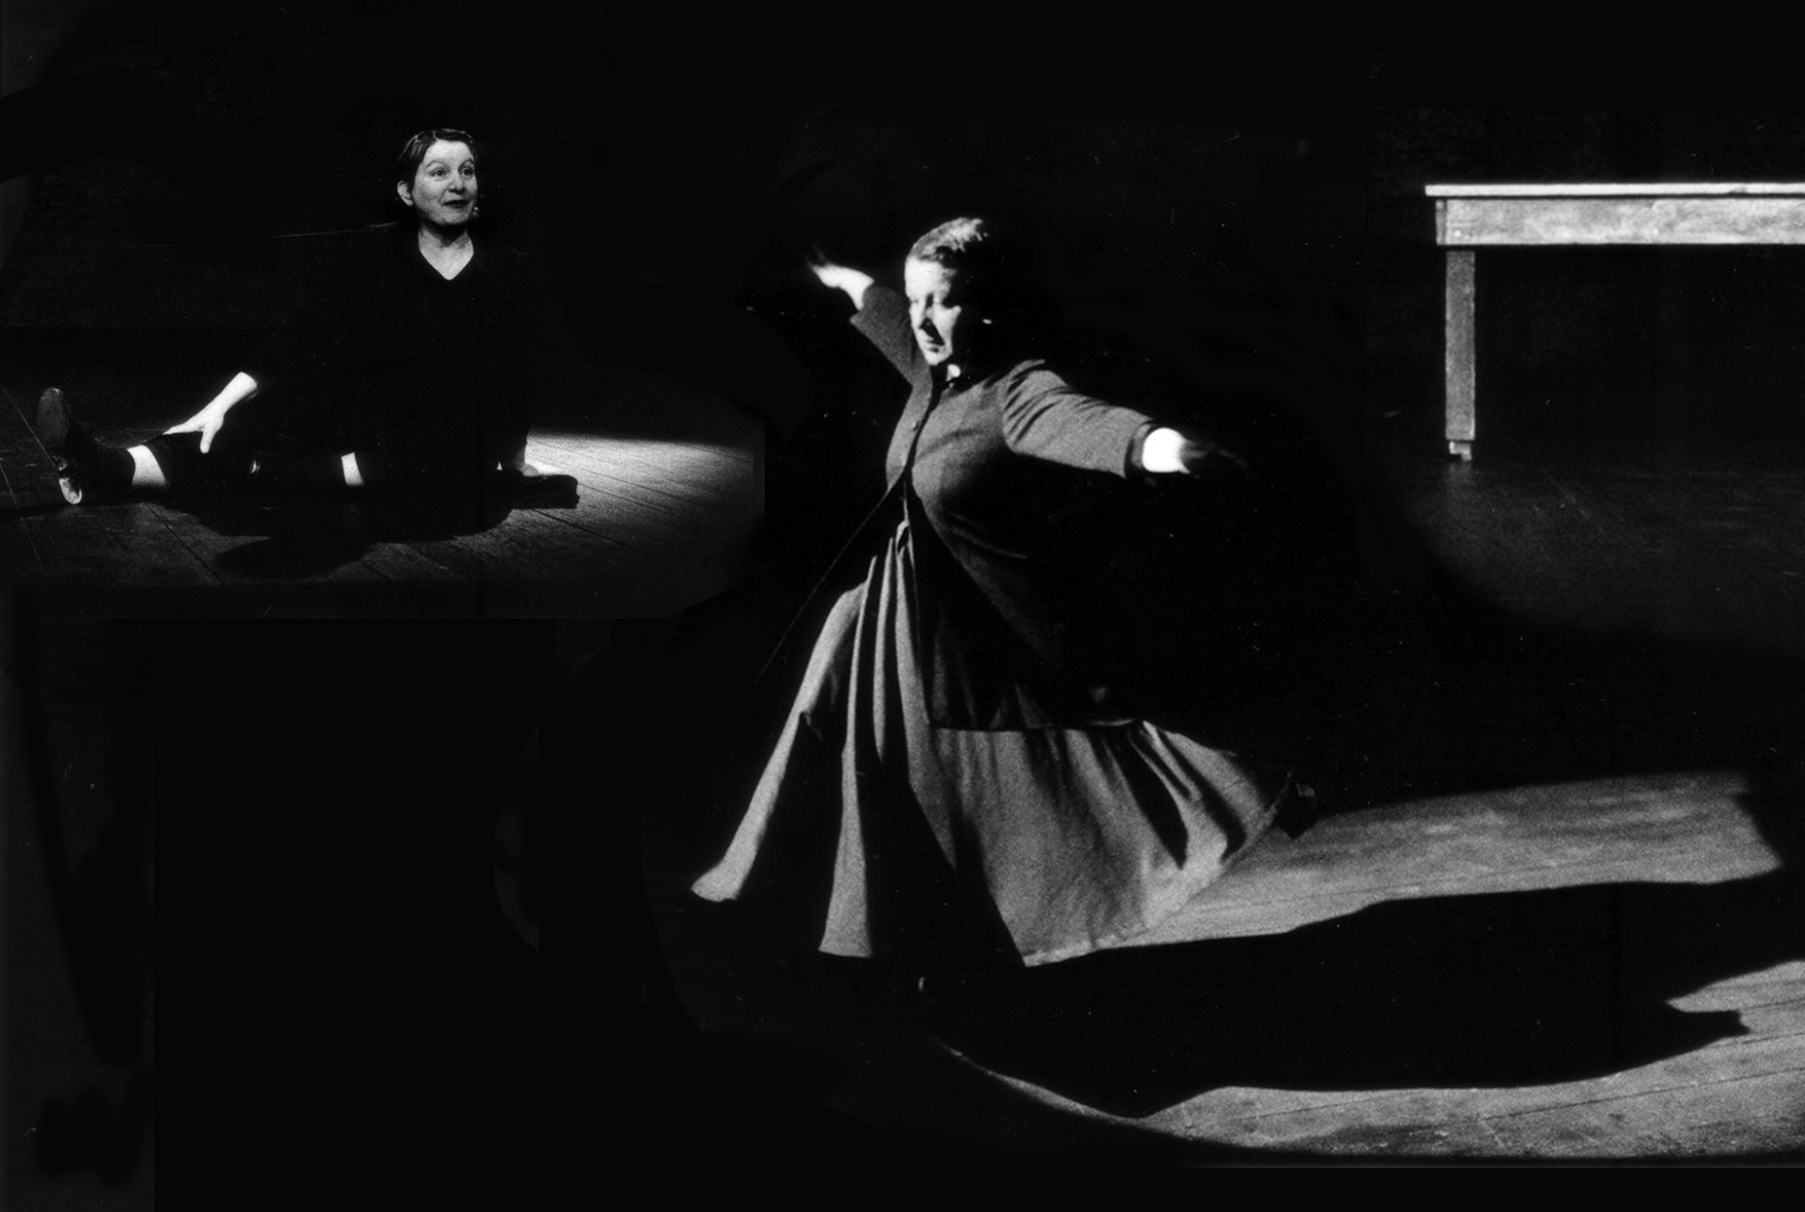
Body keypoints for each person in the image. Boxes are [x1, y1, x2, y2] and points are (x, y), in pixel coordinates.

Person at [692, 216, 1313, 987]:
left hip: (964, 634)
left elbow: (1086, 425)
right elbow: (877, 303)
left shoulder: (1015, 391)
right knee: (849, 749)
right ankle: (856, 933)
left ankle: (938, 950)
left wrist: (1167, 450)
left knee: (955, 792)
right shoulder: (930, 366)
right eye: (918, 299)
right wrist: (829, 270)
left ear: (986, 307)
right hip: (887, 621)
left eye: (944, 302)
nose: (924, 320)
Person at [35, 127, 573, 506]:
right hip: (366, 424)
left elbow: (513, 378)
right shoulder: (374, 251)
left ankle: (138, 472)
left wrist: (515, 463)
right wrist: (212, 409)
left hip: (437, 449)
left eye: (467, 171)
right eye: (439, 172)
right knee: (231, 431)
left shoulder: (508, 269)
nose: (458, 184)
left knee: (273, 469)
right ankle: (103, 466)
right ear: (407, 192)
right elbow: (298, 337)